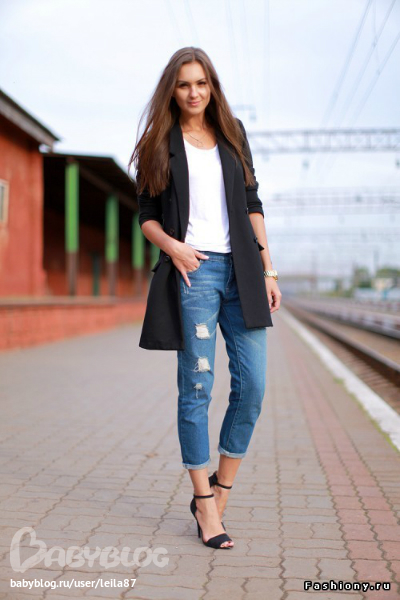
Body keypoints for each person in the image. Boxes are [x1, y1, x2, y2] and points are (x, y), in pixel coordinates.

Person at [129, 47, 282, 550]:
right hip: (194, 272)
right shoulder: (158, 143)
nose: (194, 92)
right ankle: (204, 503)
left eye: (201, 83)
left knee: (253, 386)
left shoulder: (233, 133)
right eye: (184, 84)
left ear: (212, 86)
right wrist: (173, 247)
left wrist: (268, 269)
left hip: (244, 273)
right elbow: (147, 214)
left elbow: (253, 203)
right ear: (171, 91)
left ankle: (220, 492)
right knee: (196, 387)